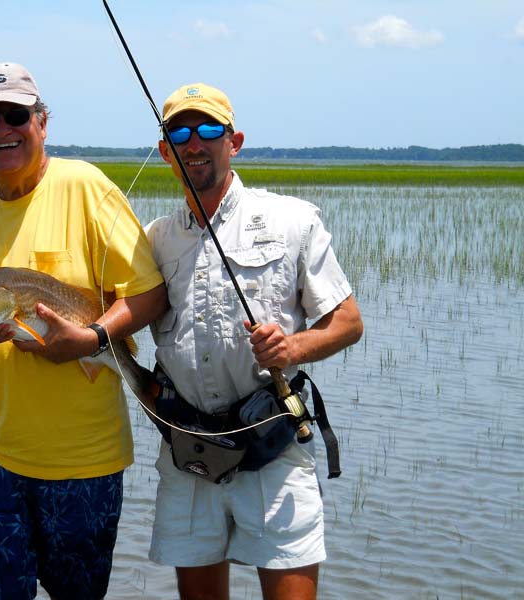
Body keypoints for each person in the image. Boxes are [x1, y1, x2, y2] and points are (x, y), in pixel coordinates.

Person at [0, 62, 167, 600]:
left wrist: (94, 341)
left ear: (43, 122)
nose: (1, 130)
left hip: (83, 458)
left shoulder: (85, 187)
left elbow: (148, 293)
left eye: (15, 115)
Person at [144, 83, 364, 600]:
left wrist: (293, 349)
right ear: (165, 151)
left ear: (234, 140)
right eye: (179, 131)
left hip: (273, 449)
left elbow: (348, 322)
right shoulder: (154, 238)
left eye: (209, 130)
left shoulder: (293, 219)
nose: (193, 142)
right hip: (189, 456)